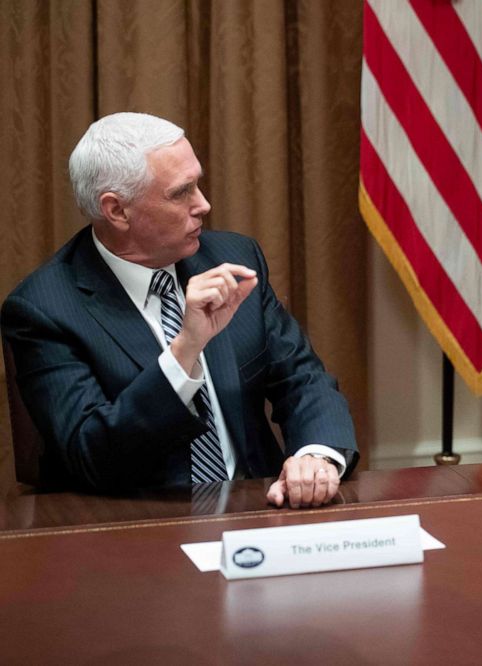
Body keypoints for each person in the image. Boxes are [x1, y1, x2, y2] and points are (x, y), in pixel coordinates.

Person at [1, 112, 357, 507]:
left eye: (198, 185)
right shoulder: (44, 308)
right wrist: (185, 350)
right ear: (117, 210)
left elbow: (302, 378)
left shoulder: (231, 258)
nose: (203, 204)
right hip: (134, 531)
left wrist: (316, 456)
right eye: (180, 192)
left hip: (255, 508)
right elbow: (91, 454)